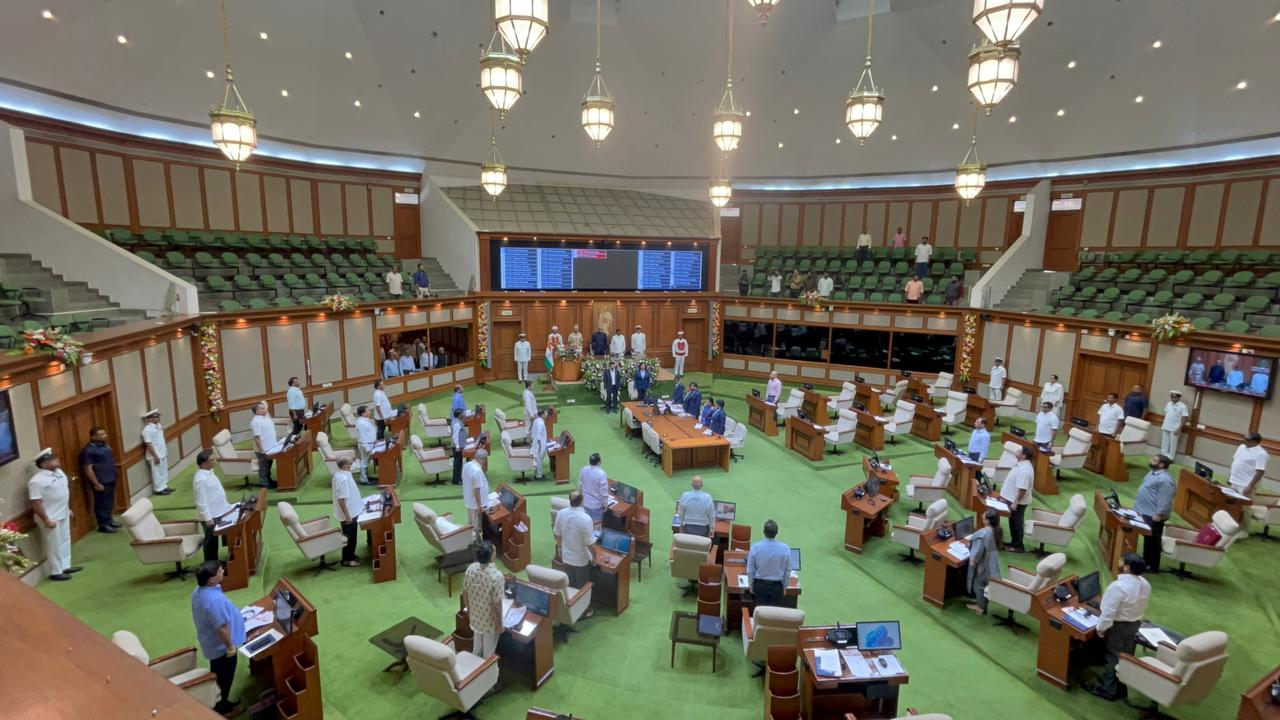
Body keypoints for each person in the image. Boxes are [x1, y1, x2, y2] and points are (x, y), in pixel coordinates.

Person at [1087, 553, 1151, 702]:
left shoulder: (1118, 587)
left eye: (1121, 561)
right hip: (1134, 623)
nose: (1118, 561)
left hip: (1119, 626)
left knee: (1112, 656)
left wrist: (1101, 628)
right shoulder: (1145, 583)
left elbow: (1108, 613)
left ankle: (1108, 690)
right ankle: (1121, 686)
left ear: (1127, 567)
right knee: (1125, 654)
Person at [191, 560, 246, 715]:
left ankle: (222, 703)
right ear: (211, 579)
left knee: (219, 675)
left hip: (211, 643)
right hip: (222, 648)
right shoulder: (213, 600)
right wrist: (230, 648)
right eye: (220, 571)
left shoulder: (199, 591)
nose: (223, 572)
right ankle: (222, 709)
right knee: (224, 678)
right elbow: (221, 629)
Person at [28, 449, 80, 581]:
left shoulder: (59, 473)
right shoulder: (36, 481)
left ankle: (65, 565)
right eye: (52, 460)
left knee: (65, 539)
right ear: (43, 464)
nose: (56, 461)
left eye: (55, 458)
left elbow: (61, 493)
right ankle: (56, 571)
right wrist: (46, 519)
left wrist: (67, 509)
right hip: (50, 517)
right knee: (53, 544)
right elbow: (36, 503)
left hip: (62, 513)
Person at [553, 491, 597, 615]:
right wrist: (595, 556)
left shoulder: (561, 513)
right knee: (582, 587)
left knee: (570, 584)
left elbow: (558, 535)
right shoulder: (585, 519)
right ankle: (582, 612)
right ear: (582, 501)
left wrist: (560, 549)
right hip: (581, 559)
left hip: (566, 557)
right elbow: (590, 543)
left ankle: (571, 609)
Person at [463, 541, 505, 659]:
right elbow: (497, 605)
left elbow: (465, 593)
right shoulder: (497, 577)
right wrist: (499, 624)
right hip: (489, 622)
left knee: (476, 650)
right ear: (492, 557)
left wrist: (470, 613)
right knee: (488, 655)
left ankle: (474, 668)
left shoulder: (471, 569)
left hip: (475, 617)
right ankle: (485, 670)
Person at [1133, 454, 1174, 572]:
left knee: (1153, 540)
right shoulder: (1152, 472)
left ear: (1161, 465)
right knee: (1148, 538)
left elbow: (1165, 498)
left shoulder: (1165, 480)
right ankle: (1146, 561)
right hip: (1144, 510)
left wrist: (1160, 514)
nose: (1151, 461)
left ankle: (1153, 566)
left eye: (1154, 460)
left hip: (1153, 514)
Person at [192, 449, 231, 562]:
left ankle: (216, 563)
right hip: (211, 517)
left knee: (216, 540)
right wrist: (208, 519)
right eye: (212, 460)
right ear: (204, 463)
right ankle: (210, 565)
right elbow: (201, 501)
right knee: (211, 543)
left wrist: (227, 507)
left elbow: (217, 492)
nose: (215, 461)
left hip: (220, 511)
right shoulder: (200, 479)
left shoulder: (209, 472)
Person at [79, 426, 120, 534]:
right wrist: (96, 483)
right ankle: (103, 525)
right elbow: (88, 469)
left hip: (110, 477)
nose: (105, 436)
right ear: (93, 436)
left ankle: (109, 520)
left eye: (105, 434)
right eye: (101, 434)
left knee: (109, 501)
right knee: (101, 503)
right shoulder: (88, 451)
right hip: (101, 481)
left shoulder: (104, 445)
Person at [746, 519, 792, 608]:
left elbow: (750, 569)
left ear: (763, 531)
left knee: (760, 613)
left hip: (760, 586)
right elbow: (788, 570)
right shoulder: (785, 548)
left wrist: (751, 586)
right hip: (777, 587)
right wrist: (784, 587)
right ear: (777, 532)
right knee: (773, 614)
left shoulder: (755, 547)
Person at [966, 510, 1002, 616]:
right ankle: (982, 603)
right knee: (983, 583)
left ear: (988, 520)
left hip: (983, 564)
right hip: (991, 561)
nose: (981, 515)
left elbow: (979, 550)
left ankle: (981, 607)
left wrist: (973, 560)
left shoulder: (984, 533)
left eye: (984, 515)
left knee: (978, 585)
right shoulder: (995, 530)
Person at [1000, 446, 1034, 552]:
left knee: (1017, 523)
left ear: (1023, 455)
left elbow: (1022, 489)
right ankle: (1014, 542)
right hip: (1013, 499)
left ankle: (1018, 546)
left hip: (1018, 502)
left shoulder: (1024, 470)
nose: (1016, 451)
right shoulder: (1021, 464)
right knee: (1013, 522)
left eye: (1019, 451)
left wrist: (1015, 502)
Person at [331, 457, 363, 567]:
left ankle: (350, 555)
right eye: (351, 463)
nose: (353, 465)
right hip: (349, 514)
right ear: (346, 466)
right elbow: (341, 500)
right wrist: (347, 516)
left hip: (352, 511)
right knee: (350, 538)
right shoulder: (343, 479)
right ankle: (347, 560)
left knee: (351, 536)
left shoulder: (340, 474)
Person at [458, 448, 490, 534]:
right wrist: (479, 505)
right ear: (481, 459)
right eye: (485, 460)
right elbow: (477, 490)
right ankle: (476, 541)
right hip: (476, 504)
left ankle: (472, 538)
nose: (485, 462)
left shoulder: (467, 465)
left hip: (469, 500)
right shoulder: (477, 471)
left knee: (471, 523)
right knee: (476, 528)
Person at [141, 409, 172, 495]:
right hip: (155, 455)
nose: (158, 418)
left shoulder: (158, 426)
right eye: (156, 417)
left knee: (163, 470)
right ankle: (158, 489)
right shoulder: (147, 430)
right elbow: (149, 444)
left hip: (162, 452)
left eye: (158, 416)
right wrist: (155, 456)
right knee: (157, 473)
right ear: (150, 419)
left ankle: (164, 486)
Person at [1229, 432, 1268, 496]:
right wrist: (1230, 476)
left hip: (1244, 485)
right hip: (1234, 481)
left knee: (1241, 502)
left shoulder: (1261, 454)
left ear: (1254, 442)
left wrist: (1250, 486)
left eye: (1247, 439)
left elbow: (1260, 473)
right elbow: (1235, 461)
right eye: (1243, 438)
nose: (1243, 440)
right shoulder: (1241, 447)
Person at [249, 401, 277, 489]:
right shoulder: (255, 421)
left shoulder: (265, 418)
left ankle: (269, 481)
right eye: (262, 408)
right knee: (263, 467)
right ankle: (264, 485)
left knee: (268, 466)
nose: (265, 410)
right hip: (263, 449)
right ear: (257, 411)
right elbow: (257, 437)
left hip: (270, 447)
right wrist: (261, 450)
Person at [578, 453, 609, 523]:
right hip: (596, 505)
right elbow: (603, 491)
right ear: (599, 462)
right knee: (596, 526)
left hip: (584, 502)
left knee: (586, 523)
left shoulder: (584, 469)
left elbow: (580, 485)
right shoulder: (601, 473)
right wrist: (605, 503)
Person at [1159, 391, 1189, 457]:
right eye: (1172, 397)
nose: (1173, 398)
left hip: (1175, 428)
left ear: (1179, 398)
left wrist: (1179, 429)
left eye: (1175, 397)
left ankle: (1170, 458)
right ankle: (1163, 456)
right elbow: (1166, 414)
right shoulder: (1168, 403)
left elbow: (1184, 418)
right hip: (1166, 426)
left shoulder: (1183, 406)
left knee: (1173, 444)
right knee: (1164, 443)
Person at [354, 405, 376, 484]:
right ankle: (364, 480)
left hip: (369, 444)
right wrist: (367, 448)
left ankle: (366, 476)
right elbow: (362, 436)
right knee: (364, 462)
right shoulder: (361, 423)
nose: (370, 412)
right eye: (368, 411)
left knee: (366, 462)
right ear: (363, 413)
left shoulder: (364, 420)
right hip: (365, 445)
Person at [530, 407, 548, 481]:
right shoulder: (540, 423)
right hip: (540, 444)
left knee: (538, 459)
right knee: (539, 460)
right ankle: (538, 476)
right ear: (542, 414)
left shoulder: (536, 420)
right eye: (545, 413)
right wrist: (539, 444)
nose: (547, 414)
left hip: (535, 443)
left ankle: (537, 474)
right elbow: (538, 434)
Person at [450, 408, 467, 486]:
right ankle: (456, 480)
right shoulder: (456, 424)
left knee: (459, 462)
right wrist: (457, 447)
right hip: (458, 446)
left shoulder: (458, 421)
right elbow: (455, 436)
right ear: (460, 415)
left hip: (460, 445)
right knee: (457, 463)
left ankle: (458, 478)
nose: (464, 414)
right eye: (463, 413)